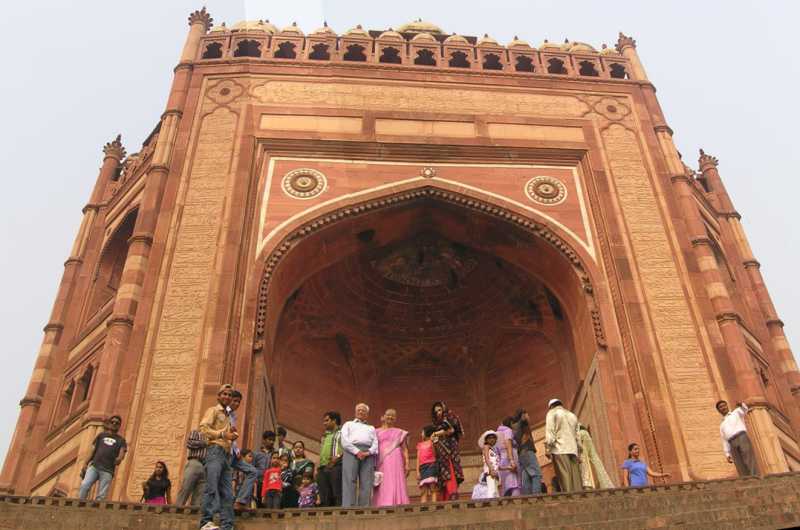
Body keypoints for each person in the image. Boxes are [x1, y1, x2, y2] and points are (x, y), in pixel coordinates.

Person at [198, 384, 238, 530]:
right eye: (224, 394)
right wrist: (222, 434)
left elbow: (225, 434)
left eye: (229, 395)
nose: (227, 397)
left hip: (226, 455)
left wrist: (230, 434)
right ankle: (206, 522)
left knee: (227, 492)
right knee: (212, 486)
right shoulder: (213, 410)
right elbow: (203, 429)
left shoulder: (228, 415)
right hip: (214, 450)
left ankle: (227, 524)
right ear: (219, 396)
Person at [78, 415, 127, 500]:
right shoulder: (101, 435)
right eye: (112, 422)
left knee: (101, 495)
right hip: (94, 466)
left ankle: (95, 512)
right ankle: (79, 505)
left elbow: (122, 452)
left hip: (107, 470)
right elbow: (93, 450)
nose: (114, 424)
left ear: (119, 426)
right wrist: (85, 463)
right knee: (84, 485)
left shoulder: (121, 440)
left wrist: (119, 458)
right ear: (109, 424)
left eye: (117, 423)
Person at [340, 403, 378, 507]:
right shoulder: (348, 424)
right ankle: (349, 506)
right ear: (355, 412)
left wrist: (368, 452)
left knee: (366, 481)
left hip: (367, 453)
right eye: (359, 410)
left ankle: (364, 506)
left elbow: (375, 443)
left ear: (367, 414)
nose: (361, 412)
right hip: (351, 451)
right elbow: (344, 440)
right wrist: (357, 451)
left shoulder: (371, 428)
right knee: (349, 479)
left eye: (363, 410)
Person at [372, 409, 410, 506]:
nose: (390, 417)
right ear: (383, 417)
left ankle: (398, 502)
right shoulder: (376, 431)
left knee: (395, 480)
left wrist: (407, 463)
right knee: (384, 481)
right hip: (381, 460)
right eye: (388, 415)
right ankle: (383, 503)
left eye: (393, 416)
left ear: (395, 418)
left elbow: (405, 449)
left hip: (396, 460)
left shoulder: (399, 432)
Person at [544, 398, 582, 493]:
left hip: (559, 449)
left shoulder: (552, 413)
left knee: (565, 480)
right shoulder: (572, 415)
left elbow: (550, 433)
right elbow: (578, 436)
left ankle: (570, 502)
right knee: (576, 481)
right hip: (573, 449)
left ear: (551, 406)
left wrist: (548, 448)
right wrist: (579, 450)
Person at [228, 390, 258, 510]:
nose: (236, 404)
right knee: (223, 479)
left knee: (252, 471)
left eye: (238, 402)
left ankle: (240, 501)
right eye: (234, 401)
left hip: (234, 453)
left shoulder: (233, 415)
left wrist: (236, 449)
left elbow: (232, 435)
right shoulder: (223, 413)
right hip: (225, 452)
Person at [431, 401, 465, 500]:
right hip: (441, 451)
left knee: (450, 469)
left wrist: (436, 433)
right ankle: (447, 495)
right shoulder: (437, 423)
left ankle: (453, 492)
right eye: (436, 411)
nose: (438, 413)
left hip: (450, 448)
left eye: (440, 410)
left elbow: (451, 430)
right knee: (443, 471)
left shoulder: (449, 418)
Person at [716, 400, 759, 477]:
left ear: (727, 406)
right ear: (719, 410)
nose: (723, 408)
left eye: (724, 405)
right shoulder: (722, 425)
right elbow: (724, 440)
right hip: (731, 442)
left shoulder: (736, 413)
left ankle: (755, 476)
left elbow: (745, 409)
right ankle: (745, 479)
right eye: (720, 407)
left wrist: (741, 404)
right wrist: (727, 453)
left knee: (748, 458)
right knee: (738, 462)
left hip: (741, 436)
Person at [512, 409, 542, 495]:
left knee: (526, 477)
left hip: (521, 454)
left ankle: (528, 498)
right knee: (536, 474)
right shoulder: (521, 424)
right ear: (523, 415)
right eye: (528, 415)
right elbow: (522, 420)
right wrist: (523, 418)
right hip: (527, 452)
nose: (529, 417)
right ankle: (536, 497)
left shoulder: (515, 427)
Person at [317, 411, 343, 507]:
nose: (324, 423)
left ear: (334, 420)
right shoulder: (324, 435)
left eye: (327, 420)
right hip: (323, 467)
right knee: (324, 495)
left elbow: (347, 448)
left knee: (336, 493)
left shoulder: (343, 433)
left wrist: (338, 457)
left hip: (336, 466)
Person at [577, 425, 614, 489]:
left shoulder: (580, 434)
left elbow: (580, 446)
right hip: (591, 456)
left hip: (583, 455)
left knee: (585, 469)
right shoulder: (586, 433)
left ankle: (587, 485)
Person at [176, 430, 207, 506]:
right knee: (186, 487)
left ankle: (194, 514)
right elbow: (190, 443)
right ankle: (178, 507)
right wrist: (205, 443)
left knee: (200, 492)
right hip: (194, 462)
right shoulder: (196, 432)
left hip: (205, 466)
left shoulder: (214, 436)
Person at [496, 417, 520, 496]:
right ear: (510, 423)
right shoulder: (508, 430)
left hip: (501, 460)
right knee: (514, 483)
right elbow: (508, 443)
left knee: (506, 485)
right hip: (510, 457)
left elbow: (496, 451)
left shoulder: (496, 434)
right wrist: (512, 460)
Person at [253, 430, 276, 507]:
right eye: (270, 439)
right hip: (258, 482)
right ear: (264, 440)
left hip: (270, 482)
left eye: (273, 440)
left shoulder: (275, 454)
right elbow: (252, 468)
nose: (272, 442)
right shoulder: (256, 454)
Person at [416, 425, 439, 503]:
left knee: (433, 487)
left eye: (422, 432)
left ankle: (434, 505)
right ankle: (423, 507)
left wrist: (433, 442)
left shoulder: (433, 443)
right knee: (423, 489)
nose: (421, 434)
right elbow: (418, 459)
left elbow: (435, 454)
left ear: (427, 433)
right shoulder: (419, 445)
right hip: (422, 468)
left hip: (431, 466)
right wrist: (418, 472)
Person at [476, 430, 500, 499]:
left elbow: (497, 463)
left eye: (493, 438)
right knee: (492, 491)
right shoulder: (486, 447)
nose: (492, 439)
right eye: (490, 438)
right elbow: (487, 459)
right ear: (486, 440)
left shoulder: (493, 450)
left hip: (495, 473)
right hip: (490, 472)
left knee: (495, 491)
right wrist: (491, 469)